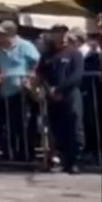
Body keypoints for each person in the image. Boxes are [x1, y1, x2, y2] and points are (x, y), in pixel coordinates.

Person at [0, 20, 41, 162]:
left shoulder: (26, 46)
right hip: (5, 92)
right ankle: (10, 154)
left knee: (23, 125)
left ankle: (26, 155)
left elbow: (38, 63)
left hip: (22, 92)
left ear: (9, 34)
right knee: (5, 125)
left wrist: (30, 76)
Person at [40, 25, 86, 174]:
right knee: (57, 128)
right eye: (58, 33)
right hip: (52, 97)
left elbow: (76, 75)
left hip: (70, 94)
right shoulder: (47, 55)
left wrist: (59, 90)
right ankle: (63, 159)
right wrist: (49, 90)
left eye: (64, 33)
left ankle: (75, 161)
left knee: (74, 127)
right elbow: (42, 74)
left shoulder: (74, 53)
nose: (61, 36)